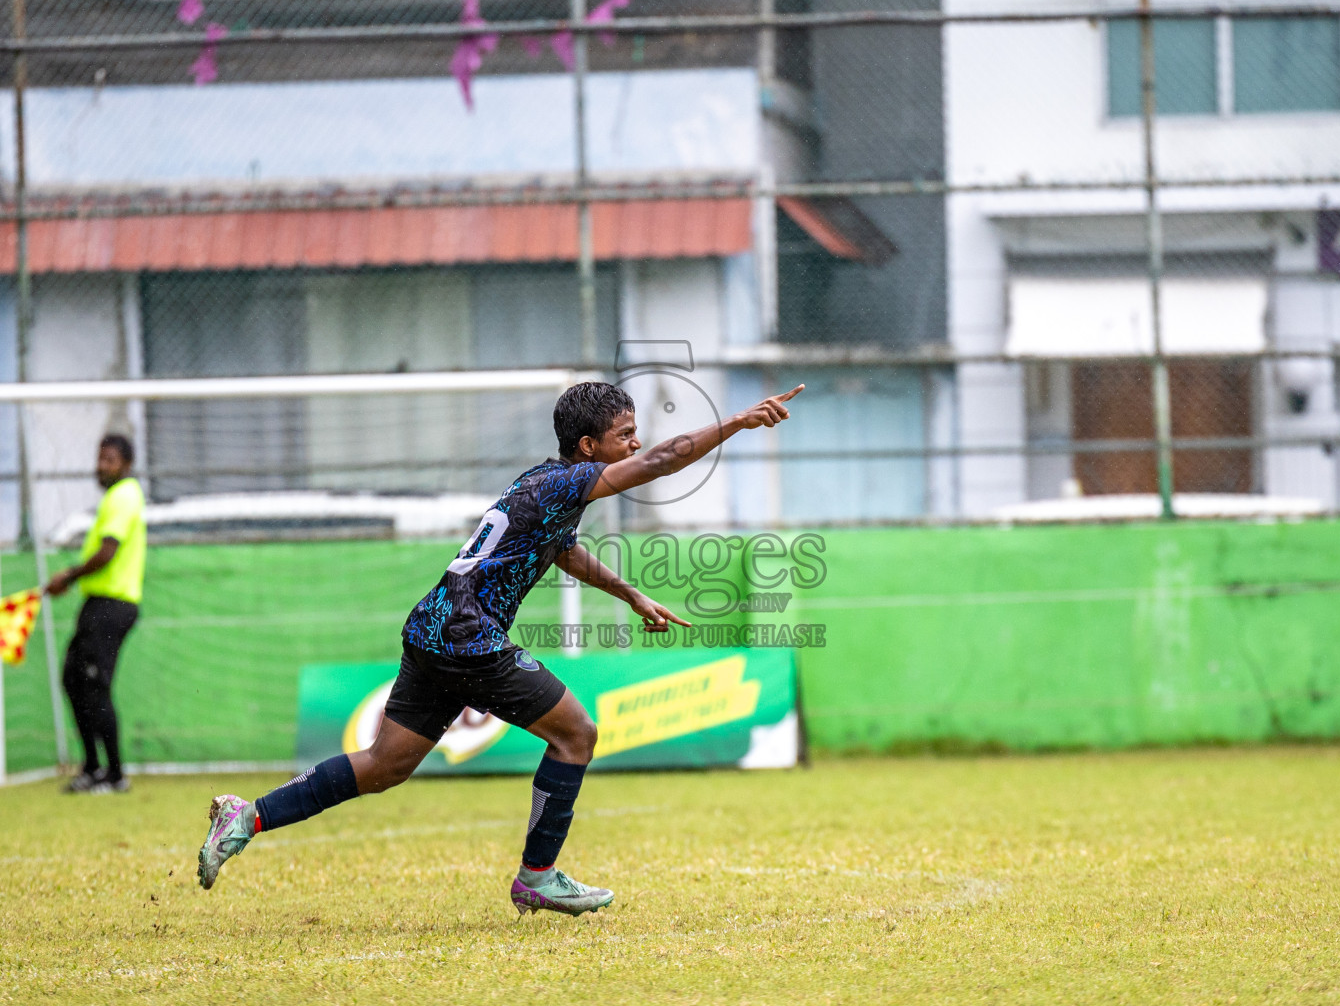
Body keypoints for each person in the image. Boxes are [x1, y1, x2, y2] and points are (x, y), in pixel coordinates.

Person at [196, 380, 803, 915]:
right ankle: (538, 877)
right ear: (588, 447)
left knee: (384, 766)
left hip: (432, 628)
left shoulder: (542, 482)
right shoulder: (567, 480)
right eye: (625, 435)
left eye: (637, 433)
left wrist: (631, 595)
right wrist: (738, 422)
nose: (636, 444)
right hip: (470, 635)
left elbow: (562, 551)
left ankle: (246, 817)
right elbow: (666, 461)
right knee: (577, 735)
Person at [45, 433, 146, 794]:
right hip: (98, 605)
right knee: (74, 680)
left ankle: (114, 774)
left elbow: (107, 552)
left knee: (94, 684)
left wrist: (69, 576)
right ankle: (92, 768)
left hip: (111, 605)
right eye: (100, 458)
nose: (102, 466)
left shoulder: (124, 495)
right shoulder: (116, 497)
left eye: (110, 460)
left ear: (127, 465)